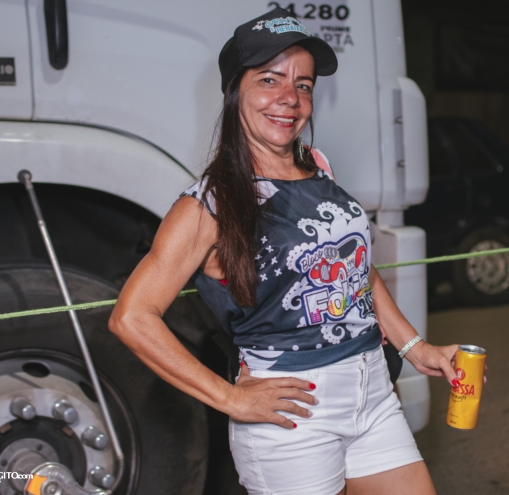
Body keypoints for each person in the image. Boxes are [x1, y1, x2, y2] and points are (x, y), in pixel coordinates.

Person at [109, 7, 466, 495]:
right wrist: (231, 399)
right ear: (235, 90)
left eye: (303, 85)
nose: (290, 99)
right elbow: (131, 317)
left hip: (374, 394)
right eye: (269, 80)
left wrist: (413, 346)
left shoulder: (318, 168)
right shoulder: (207, 205)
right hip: (292, 414)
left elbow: (357, 272)